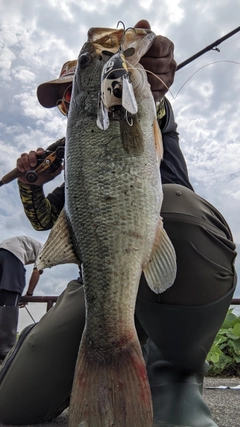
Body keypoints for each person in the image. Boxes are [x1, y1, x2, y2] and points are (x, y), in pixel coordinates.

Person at [0, 20, 237, 427]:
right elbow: (45, 223)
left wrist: (152, 86)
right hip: (101, 283)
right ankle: (103, 366)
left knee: (176, 204)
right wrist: (31, 184)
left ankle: (174, 375)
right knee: (11, 406)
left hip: (176, 263)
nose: (70, 100)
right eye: (65, 99)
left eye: (75, 86)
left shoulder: (143, 111)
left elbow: (153, 107)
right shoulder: (80, 170)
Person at [0, 235, 43, 362]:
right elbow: (36, 272)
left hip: (2, 250)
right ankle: (5, 352)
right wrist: (28, 295)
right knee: (12, 295)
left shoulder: (31, 246)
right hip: (13, 254)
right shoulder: (45, 251)